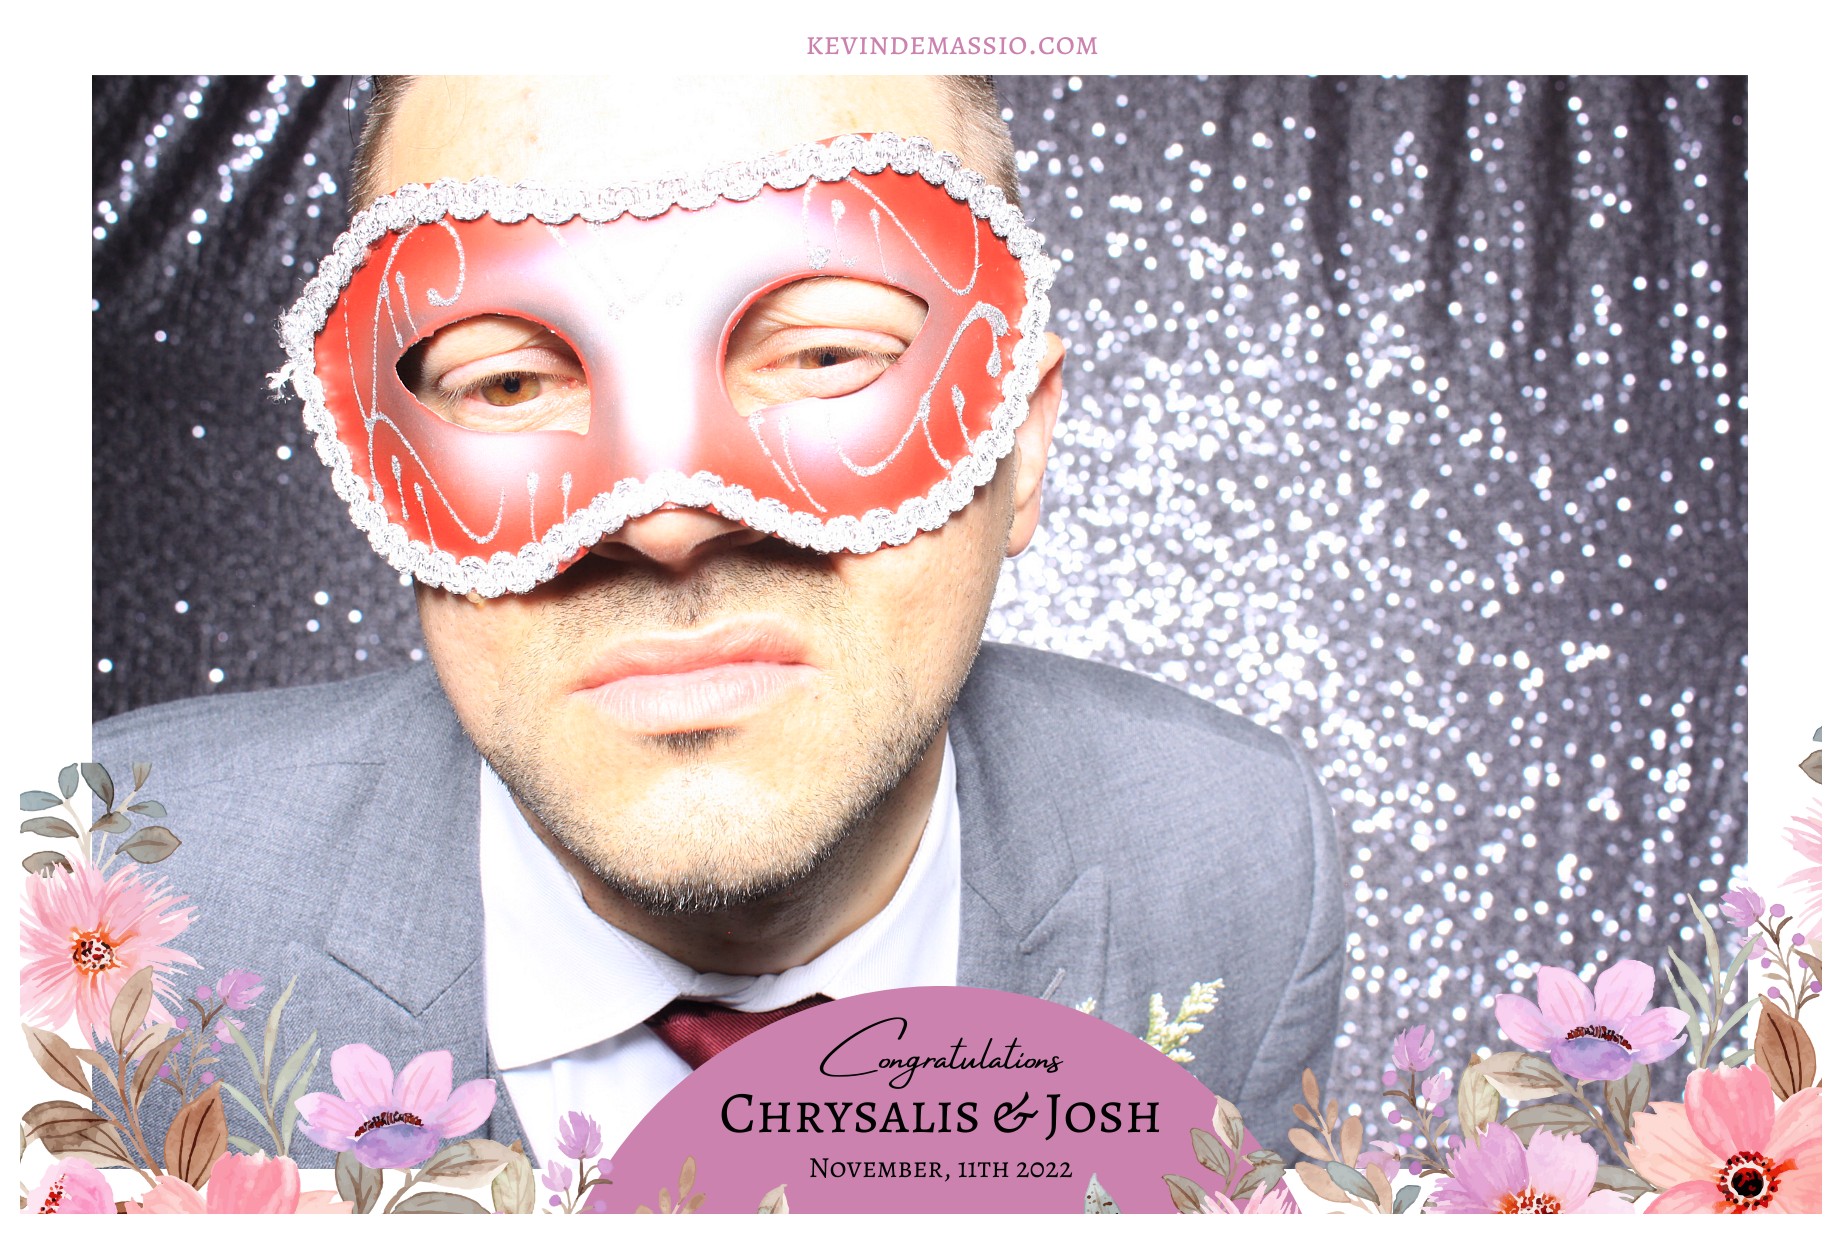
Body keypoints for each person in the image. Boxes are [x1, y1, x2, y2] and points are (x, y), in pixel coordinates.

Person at [91, 75, 1344, 1162]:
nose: (666, 521)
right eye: (507, 379)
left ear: (1018, 445)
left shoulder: (1238, 863)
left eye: (825, 357)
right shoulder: (94, 901)